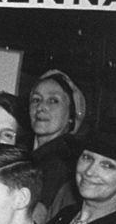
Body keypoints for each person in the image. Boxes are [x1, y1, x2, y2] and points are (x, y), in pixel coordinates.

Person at [29, 69, 86, 211]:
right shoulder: (28, 154)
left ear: (71, 114)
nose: (41, 107)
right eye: (36, 100)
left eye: (53, 101)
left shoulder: (61, 163)